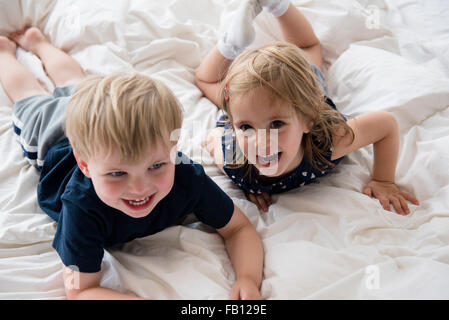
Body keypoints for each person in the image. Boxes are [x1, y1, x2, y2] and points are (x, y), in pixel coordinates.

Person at [0, 27, 264, 300]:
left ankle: (39, 43)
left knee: (75, 82)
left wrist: (248, 278)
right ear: (86, 166)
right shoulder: (81, 207)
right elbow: (81, 291)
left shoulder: (187, 177)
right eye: (117, 173)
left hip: (96, 123)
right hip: (54, 135)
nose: (139, 187)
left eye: (156, 166)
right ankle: (5, 52)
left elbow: (238, 228)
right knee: (29, 92)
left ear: (173, 152)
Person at [195, 0, 419, 214]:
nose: (261, 142)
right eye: (246, 128)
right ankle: (232, 42)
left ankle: (277, 5)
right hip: (246, 104)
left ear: (308, 119)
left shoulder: (329, 142)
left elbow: (386, 125)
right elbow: (212, 137)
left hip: (302, 96)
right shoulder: (235, 161)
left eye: (277, 124)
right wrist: (248, 185)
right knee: (205, 81)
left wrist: (383, 180)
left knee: (309, 47)